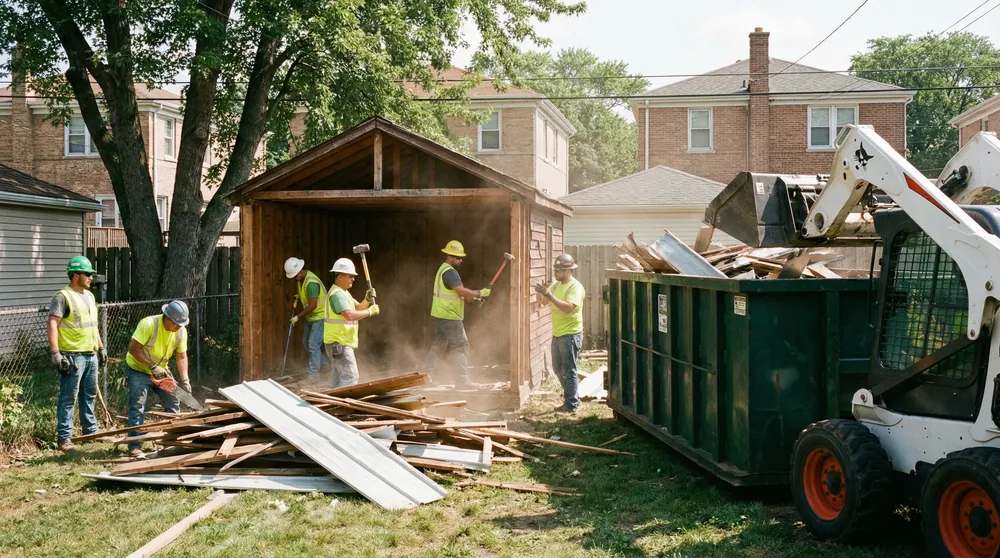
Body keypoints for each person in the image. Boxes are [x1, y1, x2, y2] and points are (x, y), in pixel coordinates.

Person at [46, 256, 107, 451]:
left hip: (90, 354)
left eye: (91, 274)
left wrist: (101, 346)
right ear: (75, 275)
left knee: (89, 395)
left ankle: (90, 431)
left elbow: (92, 325)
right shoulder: (62, 297)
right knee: (68, 398)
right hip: (73, 356)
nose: (91, 278)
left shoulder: (89, 296)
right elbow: (53, 324)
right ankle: (65, 439)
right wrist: (55, 353)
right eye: (87, 274)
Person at [124, 300, 191, 457]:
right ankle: (135, 446)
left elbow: (181, 356)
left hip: (161, 370)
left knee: (174, 402)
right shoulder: (148, 324)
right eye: (176, 324)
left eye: (181, 324)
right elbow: (134, 349)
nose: (178, 327)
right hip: (138, 369)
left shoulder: (181, 331)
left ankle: (172, 443)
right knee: (138, 406)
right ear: (167, 318)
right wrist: (152, 367)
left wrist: (185, 380)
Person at [426, 240, 491, 387]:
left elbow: (452, 293)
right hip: (449, 316)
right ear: (449, 257)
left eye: (461, 257)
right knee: (461, 344)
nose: (461, 260)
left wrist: (472, 300)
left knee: (439, 344)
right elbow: (460, 291)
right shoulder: (450, 273)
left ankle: (425, 378)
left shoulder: (442, 269)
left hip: (439, 314)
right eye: (458, 257)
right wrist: (480, 293)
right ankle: (462, 381)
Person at [535, 254, 585, 414]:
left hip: (570, 334)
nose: (555, 272)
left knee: (569, 370)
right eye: (555, 269)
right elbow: (543, 302)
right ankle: (572, 397)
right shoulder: (556, 286)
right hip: (557, 334)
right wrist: (542, 292)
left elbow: (569, 307)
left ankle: (572, 405)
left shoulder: (575, 287)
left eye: (559, 270)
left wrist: (550, 296)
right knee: (557, 368)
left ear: (568, 271)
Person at [324, 258, 378, 388]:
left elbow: (357, 309)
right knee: (350, 377)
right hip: (339, 344)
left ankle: (330, 405)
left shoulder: (343, 293)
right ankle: (343, 406)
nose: (353, 279)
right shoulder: (337, 295)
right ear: (340, 277)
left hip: (339, 343)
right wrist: (370, 312)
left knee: (337, 381)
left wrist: (367, 300)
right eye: (350, 276)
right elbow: (349, 315)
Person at [284, 257, 328, 381]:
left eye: (294, 275)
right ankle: (326, 366)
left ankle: (313, 377)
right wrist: (300, 295)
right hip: (311, 316)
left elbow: (313, 305)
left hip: (320, 316)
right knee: (306, 342)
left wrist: (298, 317)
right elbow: (307, 296)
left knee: (313, 345)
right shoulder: (301, 280)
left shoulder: (311, 283)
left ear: (300, 271)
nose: (293, 278)